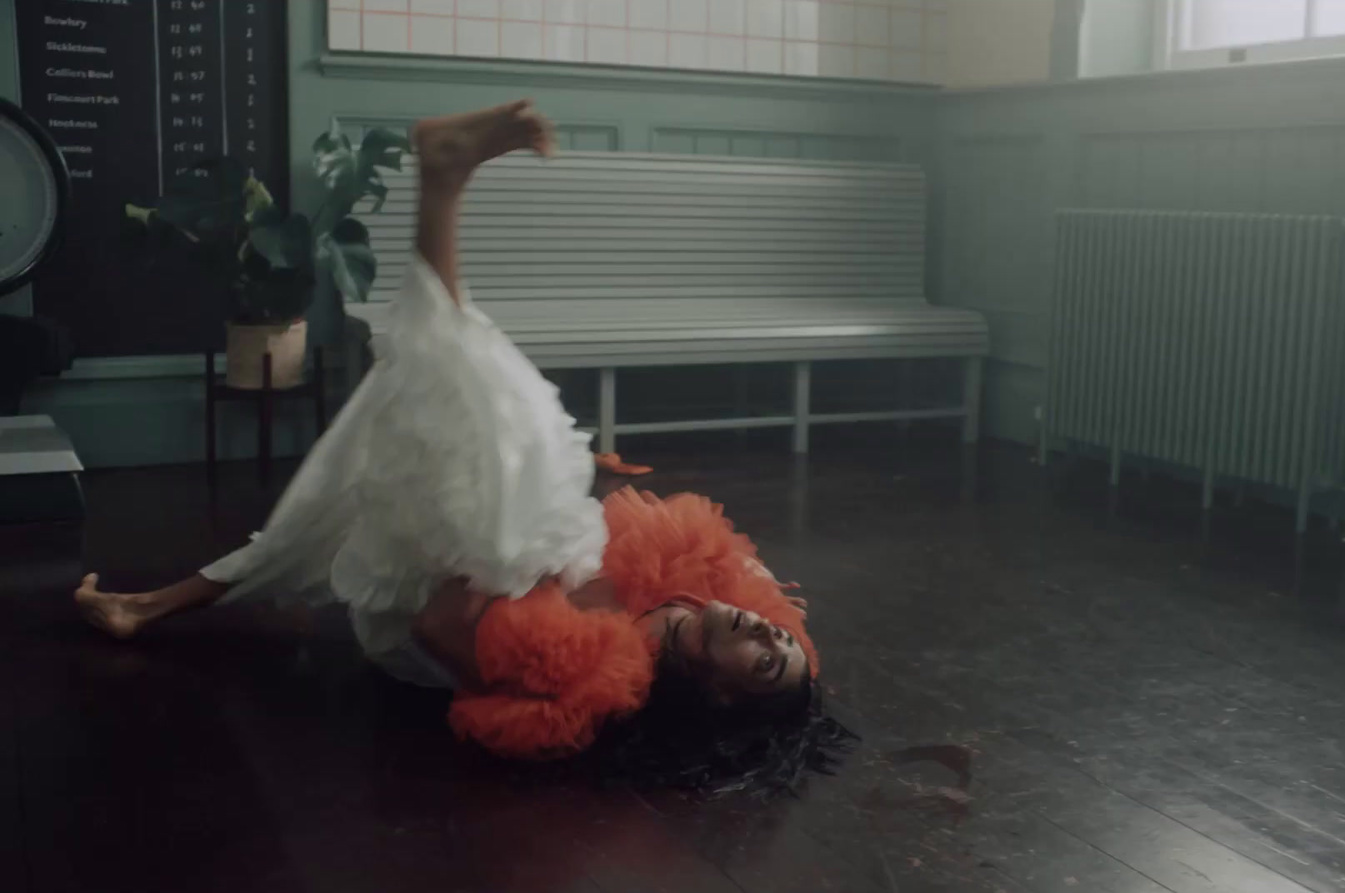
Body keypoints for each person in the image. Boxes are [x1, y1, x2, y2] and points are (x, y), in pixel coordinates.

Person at [74, 100, 851, 796]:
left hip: (434, 617)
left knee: (494, 478)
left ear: (715, 692)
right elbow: (771, 629)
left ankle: (442, 183)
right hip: (506, 556)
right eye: (783, 639)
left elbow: (440, 625)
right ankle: (138, 606)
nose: (772, 634)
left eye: (765, 660)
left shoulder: (597, 685)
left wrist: (519, 540)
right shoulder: (724, 594)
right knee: (337, 508)